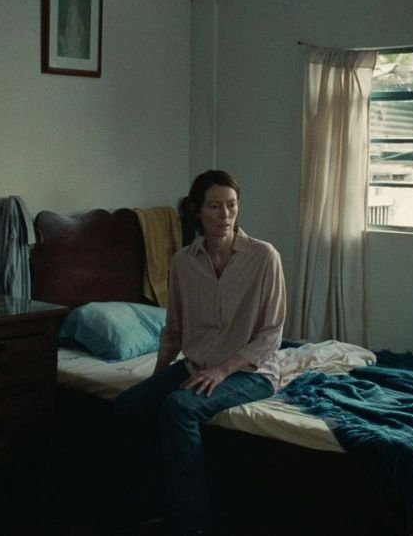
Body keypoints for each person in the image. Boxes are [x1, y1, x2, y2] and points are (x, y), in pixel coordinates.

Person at [114, 169, 286, 535]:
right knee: (130, 404)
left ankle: (191, 523)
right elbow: (174, 328)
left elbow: (271, 334)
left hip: (251, 371)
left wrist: (223, 370)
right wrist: (159, 374)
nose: (225, 215)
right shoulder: (183, 262)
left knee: (179, 407)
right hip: (197, 364)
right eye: (215, 206)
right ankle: (148, 506)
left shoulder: (263, 257)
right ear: (197, 211)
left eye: (231, 205)